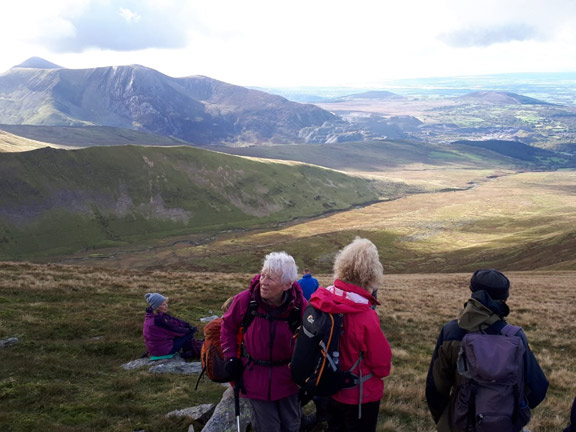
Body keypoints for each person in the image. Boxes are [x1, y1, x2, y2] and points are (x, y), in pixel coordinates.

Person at [425, 269, 549, 432]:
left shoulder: (451, 332)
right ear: (505, 299)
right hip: (505, 425)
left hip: (459, 424)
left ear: (473, 294)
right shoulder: (516, 336)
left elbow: (435, 389)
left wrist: (446, 421)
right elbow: (537, 391)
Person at [308, 237, 392, 432]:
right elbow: (382, 365)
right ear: (370, 273)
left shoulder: (323, 302)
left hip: (328, 388)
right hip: (359, 397)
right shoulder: (365, 315)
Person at [220, 252, 307, 432]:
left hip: (288, 378)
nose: (263, 282)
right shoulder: (245, 300)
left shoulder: (299, 307)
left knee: (291, 425)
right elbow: (227, 327)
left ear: (287, 284)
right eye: (263, 275)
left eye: (271, 278)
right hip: (255, 376)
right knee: (268, 427)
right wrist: (230, 357)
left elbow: (310, 338)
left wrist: (307, 371)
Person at [143, 292, 202, 360]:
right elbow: (176, 331)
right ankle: (188, 354)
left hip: (155, 348)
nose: (166, 306)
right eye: (163, 304)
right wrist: (190, 330)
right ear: (156, 307)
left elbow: (174, 321)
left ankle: (188, 352)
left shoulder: (154, 315)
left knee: (187, 332)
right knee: (188, 334)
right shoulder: (159, 320)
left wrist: (187, 325)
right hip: (162, 350)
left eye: (166, 303)